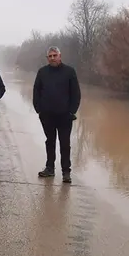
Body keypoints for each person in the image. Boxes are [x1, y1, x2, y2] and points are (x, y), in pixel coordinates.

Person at [32, 46, 81, 183]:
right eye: (50, 56)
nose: (52, 58)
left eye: (55, 55)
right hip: (47, 115)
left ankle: (66, 172)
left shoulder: (69, 72)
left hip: (65, 116)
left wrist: (72, 111)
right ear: (47, 58)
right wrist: (39, 110)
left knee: (65, 144)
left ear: (60, 56)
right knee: (50, 142)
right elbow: (36, 91)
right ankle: (50, 168)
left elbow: (76, 94)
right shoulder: (42, 72)